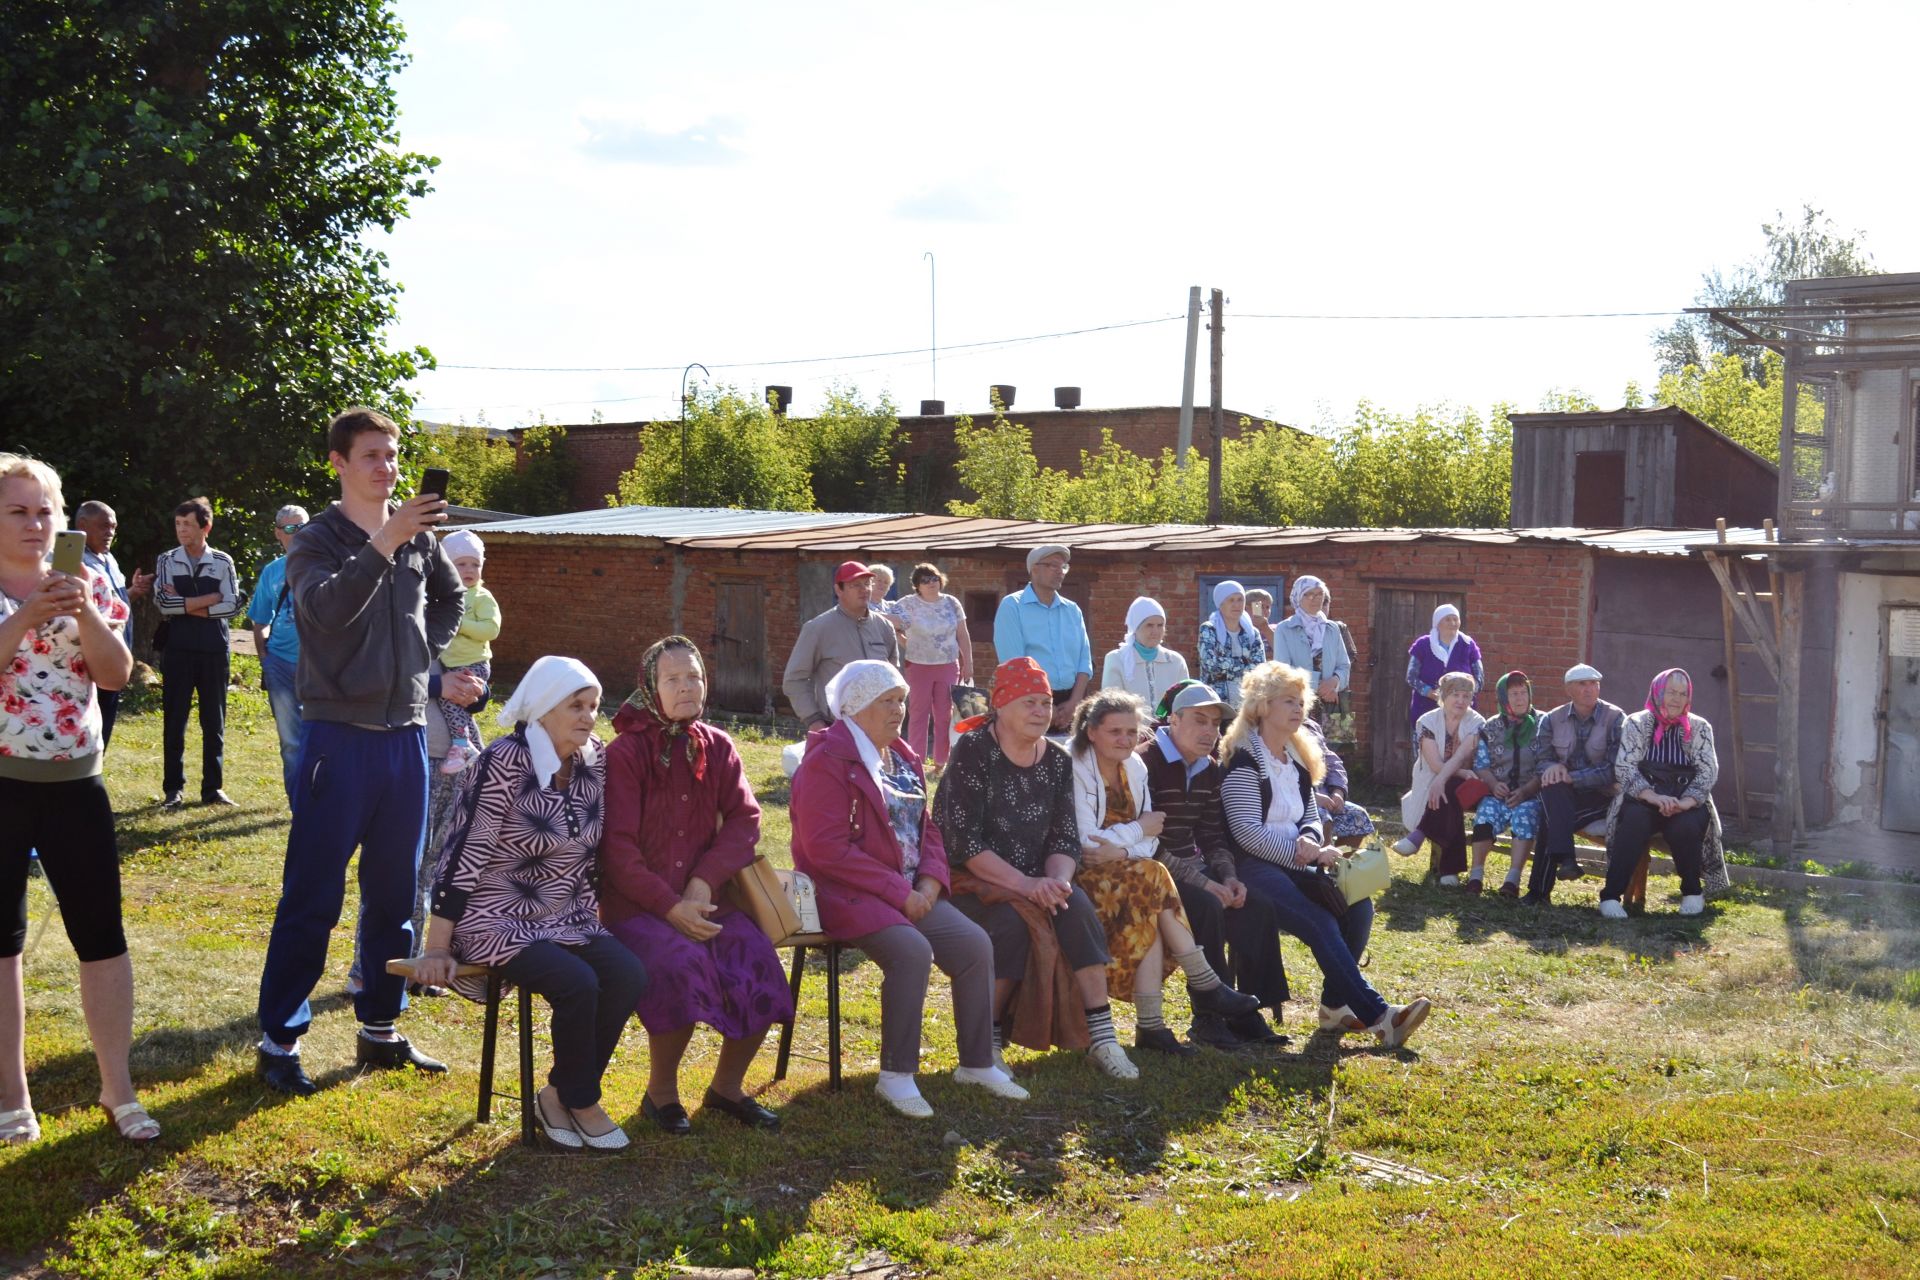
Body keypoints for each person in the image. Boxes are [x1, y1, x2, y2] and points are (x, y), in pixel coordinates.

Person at [254, 408, 464, 1095]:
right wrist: (387, 539)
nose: (388, 468)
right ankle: (279, 1040)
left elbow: (450, 598)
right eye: (372, 455)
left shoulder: (419, 540)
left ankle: (380, 1027)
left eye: (393, 455)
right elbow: (322, 614)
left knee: (395, 895)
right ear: (340, 463)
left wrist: (420, 656)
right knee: (313, 894)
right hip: (336, 740)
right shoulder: (316, 540)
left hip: (405, 738)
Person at [414, 656, 647, 1151]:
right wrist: (437, 947)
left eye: (593, 706)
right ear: (542, 709)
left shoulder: (593, 759)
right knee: (578, 982)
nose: (588, 716)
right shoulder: (502, 762)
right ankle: (581, 1100)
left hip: (567, 915)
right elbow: (462, 855)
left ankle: (559, 1093)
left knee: (628, 974)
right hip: (493, 918)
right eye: (575, 706)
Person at [790, 660, 1027, 1117]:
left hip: (910, 890)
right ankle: (897, 1075)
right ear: (856, 707)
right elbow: (825, 850)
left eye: (901, 699)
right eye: (888, 701)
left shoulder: (902, 756)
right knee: (911, 952)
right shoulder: (826, 761)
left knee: (975, 944)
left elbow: (926, 828)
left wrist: (932, 880)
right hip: (843, 893)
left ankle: (977, 1062)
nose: (899, 709)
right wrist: (899, 892)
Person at [0, 454, 155, 1145]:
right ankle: (12, 1096)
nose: (36, 524)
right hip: (2, 786)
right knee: (2, 947)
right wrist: (29, 611)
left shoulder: (89, 581)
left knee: (102, 939)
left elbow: (117, 674)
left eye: (45, 511)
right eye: (18, 511)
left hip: (76, 787)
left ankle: (116, 1088)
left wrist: (85, 609)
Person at [603, 636, 790, 1134]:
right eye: (673, 679)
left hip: (707, 903)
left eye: (695, 677)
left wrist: (704, 884)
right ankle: (660, 1094)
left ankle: (726, 1088)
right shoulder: (626, 753)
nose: (687, 687)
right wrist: (670, 906)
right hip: (638, 908)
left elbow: (745, 822)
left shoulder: (718, 745)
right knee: (678, 965)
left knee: (757, 960)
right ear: (650, 686)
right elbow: (618, 851)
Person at [934, 657, 1135, 1079]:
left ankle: (1102, 1038)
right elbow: (963, 843)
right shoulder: (973, 751)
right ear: (1001, 705)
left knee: (1076, 909)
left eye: (1045, 703)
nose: (1041, 712)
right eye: (1029, 703)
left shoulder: (1058, 761)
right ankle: (984, 1046)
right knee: (1007, 925)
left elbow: (1063, 838)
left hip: (1039, 878)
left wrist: (1057, 882)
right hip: (972, 878)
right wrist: (1027, 885)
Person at [1219, 662, 1432, 1049]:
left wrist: (1309, 837)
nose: (1299, 709)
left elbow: (1312, 814)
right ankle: (1380, 1017)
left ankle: (1334, 1007)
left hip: (1296, 860)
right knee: (1320, 920)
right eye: (1288, 701)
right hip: (1253, 868)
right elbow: (1246, 833)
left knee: (1359, 907)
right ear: (1263, 706)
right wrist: (1301, 854)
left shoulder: (1296, 758)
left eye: (1301, 702)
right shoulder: (1243, 759)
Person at [1069, 689, 1261, 1057]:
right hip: (1083, 874)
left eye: (1130, 732)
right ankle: (1202, 984)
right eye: (1114, 732)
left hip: (1131, 872)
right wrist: (1138, 831)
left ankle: (1152, 1027)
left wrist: (1125, 845)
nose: (1125, 740)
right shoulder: (1075, 766)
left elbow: (1151, 838)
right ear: (1092, 732)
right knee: (1152, 876)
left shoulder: (1134, 767)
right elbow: (1087, 844)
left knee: (1150, 893)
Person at [1137, 682, 1289, 1048]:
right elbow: (1147, 844)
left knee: (1256, 905)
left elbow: (1212, 835)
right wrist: (1208, 885)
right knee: (1206, 906)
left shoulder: (1209, 768)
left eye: (1216, 724)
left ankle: (1248, 1013)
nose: (1209, 732)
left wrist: (1230, 878)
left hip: (1187, 865)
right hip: (1149, 868)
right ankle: (1209, 1017)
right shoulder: (1146, 762)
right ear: (1173, 720)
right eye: (1199, 720)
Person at [1599, 669, 1729, 919]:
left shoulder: (1700, 727)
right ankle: (1610, 897)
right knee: (1634, 821)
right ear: (1658, 692)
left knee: (1685, 827)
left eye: (1682, 693)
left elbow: (1708, 771)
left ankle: (1692, 892)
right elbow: (1625, 767)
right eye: (1671, 692)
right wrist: (1654, 797)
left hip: (1687, 798)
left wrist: (1684, 803)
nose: (1676, 699)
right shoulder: (1636, 722)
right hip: (1644, 796)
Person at [154, 496, 243, 808]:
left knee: (213, 722)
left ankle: (212, 790)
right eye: (178, 525)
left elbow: (231, 604)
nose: (182, 531)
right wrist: (209, 598)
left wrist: (186, 603)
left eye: (188, 525)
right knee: (174, 721)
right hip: (177, 650)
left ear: (206, 526)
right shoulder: (166, 560)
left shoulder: (223, 562)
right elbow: (164, 604)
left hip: (214, 651)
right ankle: (172, 790)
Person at [1529, 663, 1626, 904]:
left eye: (1594, 683)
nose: (1589, 689)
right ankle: (1567, 862)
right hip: (1563, 793)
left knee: (1552, 818)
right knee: (1553, 788)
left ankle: (1538, 892)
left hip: (1602, 796)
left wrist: (1573, 776)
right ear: (1568, 689)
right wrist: (1553, 767)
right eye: (1582, 684)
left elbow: (1615, 768)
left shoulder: (1615, 718)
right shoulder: (1552, 719)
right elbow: (1540, 761)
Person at [783, 561, 901, 731]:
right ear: (838, 590)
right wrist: (813, 719)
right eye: (855, 585)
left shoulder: (884, 627)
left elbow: (893, 676)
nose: (864, 589)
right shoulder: (818, 628)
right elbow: (794, 679)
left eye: (867, 583)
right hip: (838, 726)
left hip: (879, 727)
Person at [1393, 672, 1485, 884]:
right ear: (1443, 696)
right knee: (1449, 790)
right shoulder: (1427, 721)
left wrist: (1442, 779)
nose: (1461, 701)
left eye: (1466, 696)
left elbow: (1462, 755)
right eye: (1456, 695)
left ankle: (1419, 834)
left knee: (1450, 786)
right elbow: (1434, 764)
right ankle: (1449, 872)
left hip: (1468, 783)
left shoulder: (1477, 722)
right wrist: (1451, 776)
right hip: (1433, 778)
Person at [992, 544, 1093, 734]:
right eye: (1053, 566)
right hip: (1028, 700)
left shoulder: (1072, 610)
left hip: (1070, 704)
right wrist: (1045, 704)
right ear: (1034, 569)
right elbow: (1014, 663)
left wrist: (1075, 703)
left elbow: (1084, 661)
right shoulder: (1013, 606)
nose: (1060, 572)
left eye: (1063, 567)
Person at [246, 504, 310, 802]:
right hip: (281, 666)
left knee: (326, 738)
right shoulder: (272, 571)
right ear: (277, 534)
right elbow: (259, 621)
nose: (297, 533)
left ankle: (322, 802)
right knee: (291, 743)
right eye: (289, 528)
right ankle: (299, 806)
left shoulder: (330, 565)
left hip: (321, 667)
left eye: (302, 526)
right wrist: (266, 661)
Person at [72, 500, 143, 747]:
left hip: (113, 657)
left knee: (105, 725)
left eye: (113, 527)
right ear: (82, 525)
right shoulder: (73, 561)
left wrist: (132, 592)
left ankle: (96, 771)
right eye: (103, 526)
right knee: (89, 730)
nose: (110, 533)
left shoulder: (108, 559)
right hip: (90, 661)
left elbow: (112, 605)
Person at [1470, 672, 1546, 897]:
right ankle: (1476, 876)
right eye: (1514, 694)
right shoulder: (1491, 727)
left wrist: (1526, 791)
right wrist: (1494, 785)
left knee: (1524, 816)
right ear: (1504, 698)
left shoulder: (1544, 724)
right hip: (1498, 793)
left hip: (1531, 794)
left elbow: (1547, 764)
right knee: (1485, 816)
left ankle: (1512, 881)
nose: (1520, 698)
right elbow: (1481, 764)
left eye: (1524, 693)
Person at [433, 530, 501, 773]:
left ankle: (461, 745)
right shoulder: (440, 597)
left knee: (451, 700)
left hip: (473, 662)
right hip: (450, 663)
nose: (469, 570)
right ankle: (477, 753)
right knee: (458, 706)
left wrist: (460, 624)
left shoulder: (481, 597)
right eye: (461, 564)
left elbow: (491, 629)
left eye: (475, 564)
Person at [894, 562, 971, 769]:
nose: (931, 583)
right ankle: (915, 761)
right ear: (917, 585)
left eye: (934, 578)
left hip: (947, 664)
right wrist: (905, 643)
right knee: (919, 713)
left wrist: (968, 662)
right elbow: (889, 623)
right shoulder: (907, 603)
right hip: (918, 665)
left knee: (944, 714)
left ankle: (941, 762)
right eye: (925, 580)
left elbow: (962, 634)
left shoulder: (951, 602)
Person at [1270, 577, 1351, 718]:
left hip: (1334, 702)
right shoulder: (1284, 628)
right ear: (1298, 597)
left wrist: (1334, 682)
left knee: (1338, 740)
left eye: (1319, 593)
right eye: (1308, 594)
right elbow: (1283, 670)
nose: (1315, 598)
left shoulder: (1332, 628)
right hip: (1299, 703)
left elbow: (1344, 665)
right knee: (1304, 740)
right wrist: (1321, 686)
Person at [1404, 604, 1483, 741]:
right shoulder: (1423, 645)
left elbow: (1479, 680)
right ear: (1437, 623)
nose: (1453, 623)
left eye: (1455, 619)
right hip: (1426, 707)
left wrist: (1463, 696)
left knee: (1461, 755)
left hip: (1461, 711)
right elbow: (1411, 676)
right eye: (1447, 619)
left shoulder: (1468, 645)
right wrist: (1430, 693)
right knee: (1427, 754)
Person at [1100, 597, 1190, 709]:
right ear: (1135, 627)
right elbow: (1111, 706)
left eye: (1160, 625)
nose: (1156, 631)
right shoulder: (1116, 659)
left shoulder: (1176, 661)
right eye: (1149, 625)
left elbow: (1184, 704)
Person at [1306, 714, 1376, 851]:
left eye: (1301, 704)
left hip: (1325, 795)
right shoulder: (1274, 732)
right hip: (1297, 802)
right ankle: (1320, 869)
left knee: (1357, 816)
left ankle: (1339, 867)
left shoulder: (1311, 726)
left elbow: (1332, 762)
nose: (1298, 708)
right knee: (1323, 818)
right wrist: (1311, 797)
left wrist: (1338, 791)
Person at [1197, 581, 1266, 710]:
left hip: (1247, 703)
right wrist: (1245, 663)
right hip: (1216, 703)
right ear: (1221, 604)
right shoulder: (1209, 629)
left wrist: (1226, 666)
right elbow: (1211, 666)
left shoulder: (1252, 632)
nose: (1236, 605)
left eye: (1240, 600)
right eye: (1231, 600)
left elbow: (1259, 667)